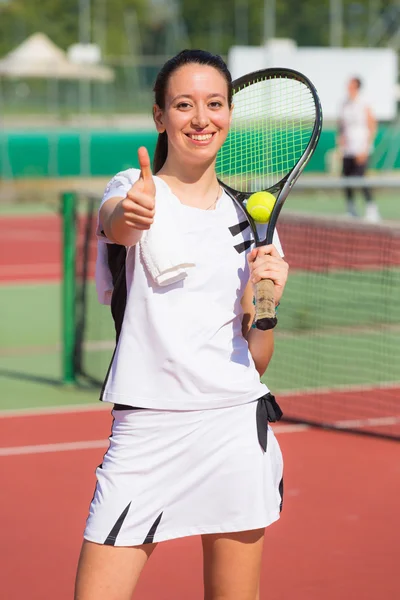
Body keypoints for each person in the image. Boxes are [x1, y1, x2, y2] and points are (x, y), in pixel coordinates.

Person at [74, 49, 289, 600]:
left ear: (229, 114)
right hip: (148, 432)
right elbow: (116, 223)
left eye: (215, 104)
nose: (201, 118)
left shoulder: (252, 220)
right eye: (184, 104)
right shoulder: (133, 186)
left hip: (235, 429)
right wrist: (129, 214)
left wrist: (266, 305)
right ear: (159, 116)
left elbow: (257, 357)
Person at [337, 76, 380, 223]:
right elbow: (341, 126)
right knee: (346, 177)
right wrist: (341, 143)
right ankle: (351, 209)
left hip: (361, 147)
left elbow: (372, 126)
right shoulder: (344, 104)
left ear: (357, 87)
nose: (349, 87)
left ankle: (371, 209)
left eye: (351, 85)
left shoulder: (364, 103)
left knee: (360, 178)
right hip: (347, 149)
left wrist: (365, 148)